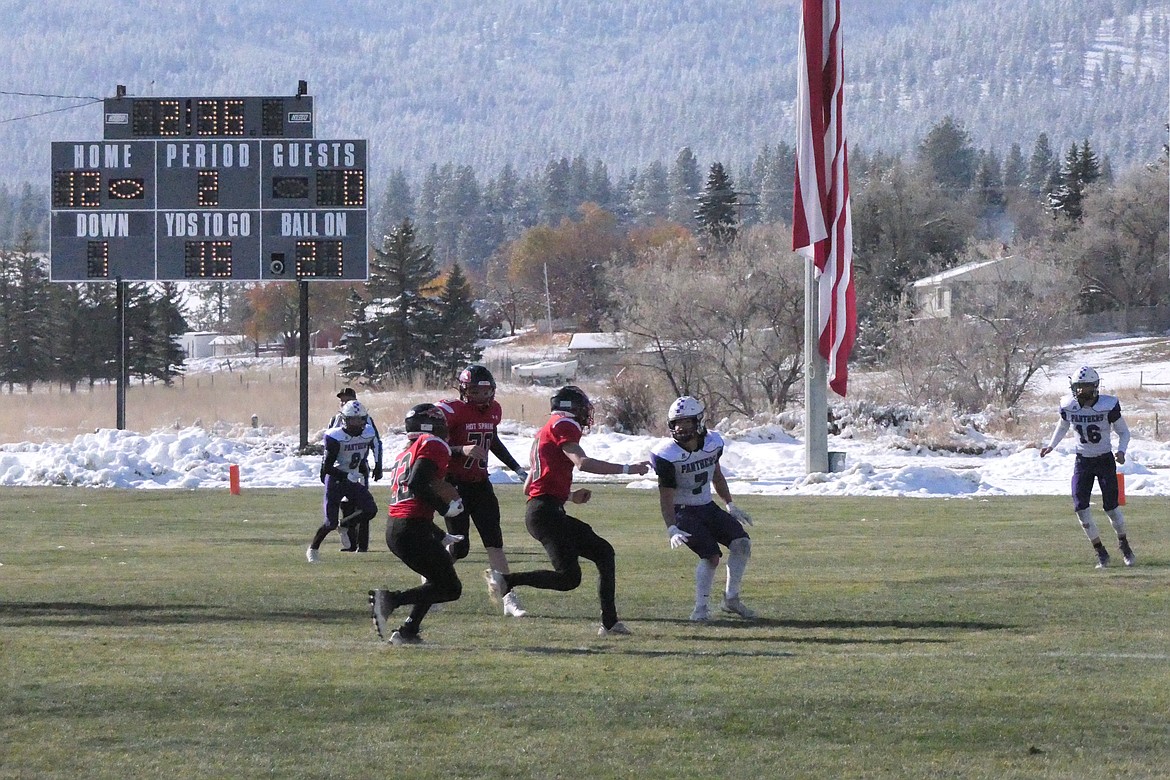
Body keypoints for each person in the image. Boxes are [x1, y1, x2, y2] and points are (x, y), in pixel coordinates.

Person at [483, 385, 650, 637]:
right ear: (571, 409)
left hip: (543, 510)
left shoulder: (545, 431)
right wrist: (628, 469)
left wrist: (568, 496)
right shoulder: (563, 424)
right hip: (545, 514)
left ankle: (610, 623)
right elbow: (582, 463)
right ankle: (507, 580)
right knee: (569, 578)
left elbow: (530, 486)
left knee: (601, 555)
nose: (586, 415)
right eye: (583, 409)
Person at [649, 396, 756, 621]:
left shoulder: (712, 443)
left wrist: (730, 504)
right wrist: (671, 527)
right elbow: (665, 495)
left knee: (742, 543)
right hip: (683, 510)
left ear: (698, 421)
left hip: (706, 505)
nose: (681, 428)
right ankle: (700, 609)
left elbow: (715, 474)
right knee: (711, 556)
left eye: (686, 422)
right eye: (677, 423)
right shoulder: (667, 455)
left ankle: (731, 599)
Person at [369, 403, 467, 646]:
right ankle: (389, 601)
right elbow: (417, 485)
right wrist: (446, 509)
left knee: (437, 582)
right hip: (410, 528)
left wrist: (440, 534)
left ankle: (408, 631)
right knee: (450, 588)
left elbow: (412, 494)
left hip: (402, 528)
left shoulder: (407, 452)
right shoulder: (432, 444)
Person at [437, 364, 530, 617]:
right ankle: (432, 580)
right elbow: (433, 444)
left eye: (486, 391)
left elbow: (493, 440)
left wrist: (516, 467)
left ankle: (509, 597)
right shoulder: (452, 411)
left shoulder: (494, 411)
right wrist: (460, 449)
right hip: (454, 483)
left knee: (495, 542)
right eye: (476, 391)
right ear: (465, 390)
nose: (482, 396)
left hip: (480, 482)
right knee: (460, 546)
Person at [1040, 366, 1135, 568]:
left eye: (1085, 387)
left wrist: (1122, 451)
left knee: (1111, 508)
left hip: (1104, 460)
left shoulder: (1108, 405)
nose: (1081, 392)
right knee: (1080, 507)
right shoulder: (1069, 405)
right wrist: (1051, 445)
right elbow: (1063, 424)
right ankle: (1100, 551)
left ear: (1094, 387)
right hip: (1082, 460)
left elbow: (1124, 433)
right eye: (1078, 388)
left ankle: (1123, 543)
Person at [306, 400, 380, 563]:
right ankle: (313, 549)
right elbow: (327, 467)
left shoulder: (368, 433)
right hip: (336, 480)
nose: (357, 423)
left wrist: (366, 467)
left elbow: (360, 454)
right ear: (345, 420)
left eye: (360, 419)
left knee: (370, 509)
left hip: (352, 478)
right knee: (329, 523)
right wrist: (346, 476)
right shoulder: (335, 437)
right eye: (353, 419)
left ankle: (344, 524)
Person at [328, 387, 383, 553]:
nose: (344, 402)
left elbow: (376, 442)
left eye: (348, 398)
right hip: (341, 470)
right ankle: (350, 544)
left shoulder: (364, 420)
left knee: (362, 504)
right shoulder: (335, 420)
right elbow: (328, 447)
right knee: (345, 506)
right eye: (342, 400)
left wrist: (378, 464)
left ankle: (363, 544)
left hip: (359, 467)